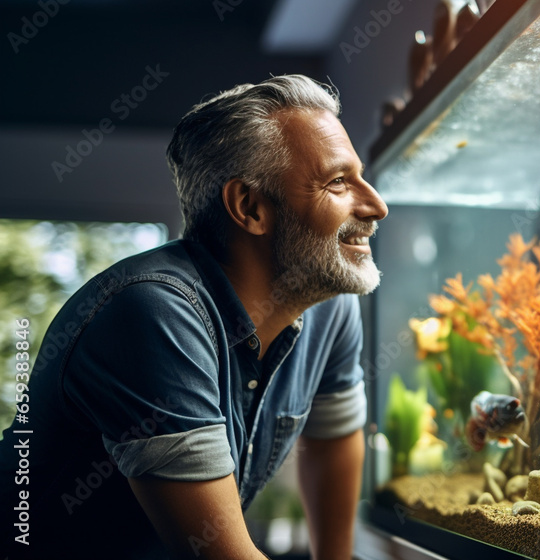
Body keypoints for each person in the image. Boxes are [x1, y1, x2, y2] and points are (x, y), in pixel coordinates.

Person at [0, 75, 388, 559]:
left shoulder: (329, 303)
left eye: (361, 176)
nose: (377, 205)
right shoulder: (152, 314)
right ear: (249, 207)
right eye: (337, 181)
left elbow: (334, 440)